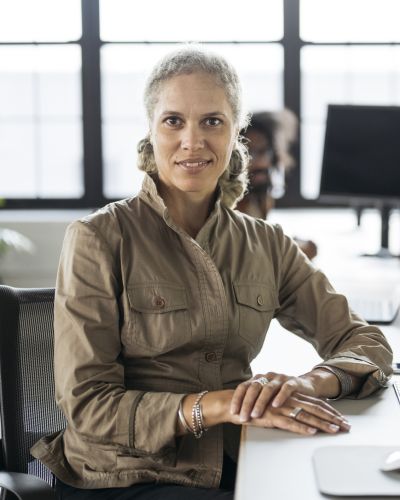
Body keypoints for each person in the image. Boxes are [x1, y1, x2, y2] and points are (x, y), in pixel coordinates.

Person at [31, 46, 393, 499]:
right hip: (125, 475)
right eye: (173, 121)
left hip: (229, 461)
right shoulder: (99, 238)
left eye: (212, 121)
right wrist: (222, 405)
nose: (192, 141)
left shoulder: (266, 243)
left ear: (235, 132)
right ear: (151, 130)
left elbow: (367, 343)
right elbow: (88, 407)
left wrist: (304, 384)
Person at [237, 110, 318, 260]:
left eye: (263, 151)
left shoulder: (262, 198)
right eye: (248, 153)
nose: (259, 161)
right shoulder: (231, 202)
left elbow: (262, 242)